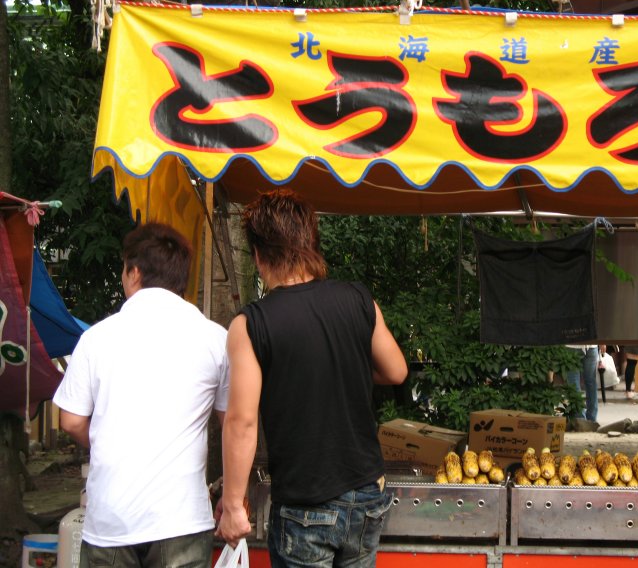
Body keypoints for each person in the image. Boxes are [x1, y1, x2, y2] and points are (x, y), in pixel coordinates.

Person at [217, 189, 408, 567]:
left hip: (306, 505)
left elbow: (241, 420)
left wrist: (234, 505)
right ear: (311, 243)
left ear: (258, 255)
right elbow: (396, 370)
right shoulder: (359, 300)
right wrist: (344, 363)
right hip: (367, 497)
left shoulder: (251, 324)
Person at [53, 222, 230, 567]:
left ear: (134, 273)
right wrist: (235, 497)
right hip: (181, 519)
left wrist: (103, 443)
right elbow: (234, 423)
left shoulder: (97, 338)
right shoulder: (214, 338)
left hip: (110, 520)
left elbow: (72, 420)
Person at [565, 345, 600, 421]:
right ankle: (592, 418)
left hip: (572, 345)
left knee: (573, 382)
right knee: (591, 382)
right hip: (591, 346)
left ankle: (580, 417)